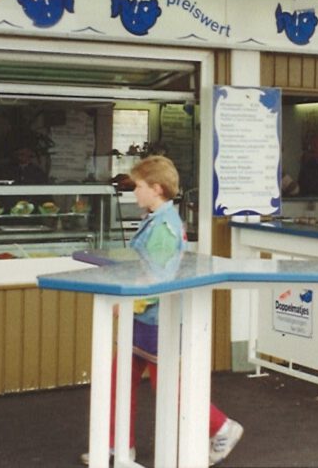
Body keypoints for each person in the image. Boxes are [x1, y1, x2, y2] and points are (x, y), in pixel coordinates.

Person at [81, 155, 243, 466]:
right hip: (146, 319)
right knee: (121, 379)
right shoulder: (159, 220)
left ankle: (221, 427)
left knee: (168, 386)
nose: (135, 192)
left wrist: (127, 301)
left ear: (156, 188)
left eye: (138, 186)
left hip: (155, 321)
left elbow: (156, 277)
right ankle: (118, 446)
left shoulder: (164, 227)